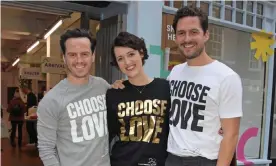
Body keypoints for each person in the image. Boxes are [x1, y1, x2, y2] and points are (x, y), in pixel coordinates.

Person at [165, 6, 243, 166]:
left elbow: (231, 134)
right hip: (172, 158)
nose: (187, 39)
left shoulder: (226, 77)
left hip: (204, 160)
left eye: (193, 32)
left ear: (206, 35)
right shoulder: (175, 73)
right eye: (181, 33)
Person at [37, 28, 110, 166]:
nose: (79, 60)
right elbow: (46, 149)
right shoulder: (51, 101)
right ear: (64, 57)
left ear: (93, 56)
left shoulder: (103, 86)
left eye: (84, 54)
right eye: (72, 55)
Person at [106, 32, 171, 166]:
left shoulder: (165, 88)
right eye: (120, 58)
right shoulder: (114, 94)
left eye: (131, 54)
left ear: (141, 53)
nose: (127, 62)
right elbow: (105, 136)